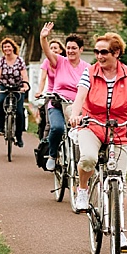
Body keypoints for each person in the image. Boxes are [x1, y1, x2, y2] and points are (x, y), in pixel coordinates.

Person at [68, 32, 127, 253]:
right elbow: (80, 97)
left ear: (116, 53)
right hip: (92, 125)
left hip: (119, 130)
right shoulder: (90, 72)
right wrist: (75, 115)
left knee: (120, 183)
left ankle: (120, 231)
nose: (99, 56)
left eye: (104, 52)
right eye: (96, 51)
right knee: (88, 158)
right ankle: (83, 189)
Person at [37, 26, 91, 171]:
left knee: (85, 131)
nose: (70, 51)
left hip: (77, 107)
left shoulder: (88, 68)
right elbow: (47, 51)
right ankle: (52, 155)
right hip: (57, 104)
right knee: (57, 128)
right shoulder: (60, 61)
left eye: (74, 48)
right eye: (68, 48)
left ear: (81, 50)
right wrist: (43, 37)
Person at [0, 38, 31, 147]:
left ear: (13, 47)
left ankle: (19, 136)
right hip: (4, 86)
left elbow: (24, 75)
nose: (7, 49)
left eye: (8, 46)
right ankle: (0, 128)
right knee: (1, 102)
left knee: (19, 112)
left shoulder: (19, 60)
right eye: (4, 47)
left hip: (17, 87)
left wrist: (25, 85)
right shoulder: (1, 60)